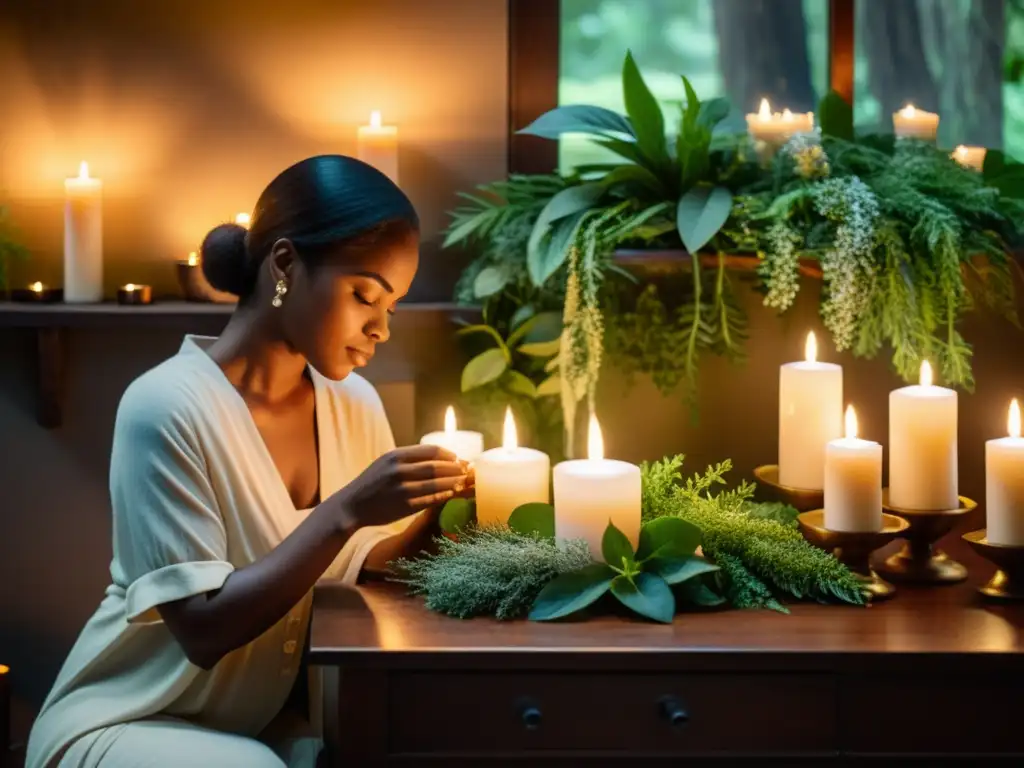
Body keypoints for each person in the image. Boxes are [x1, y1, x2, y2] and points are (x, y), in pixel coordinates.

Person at [26, 155, 472, 768]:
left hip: (251, 726)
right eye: (365, 294)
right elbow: (204, 630)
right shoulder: (164, 406)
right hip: (127, 719)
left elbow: (363, 574)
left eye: (390, 308)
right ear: (284, 264)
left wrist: (445, 514)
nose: (380, 329)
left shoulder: (355, 403)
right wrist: (345, 510)